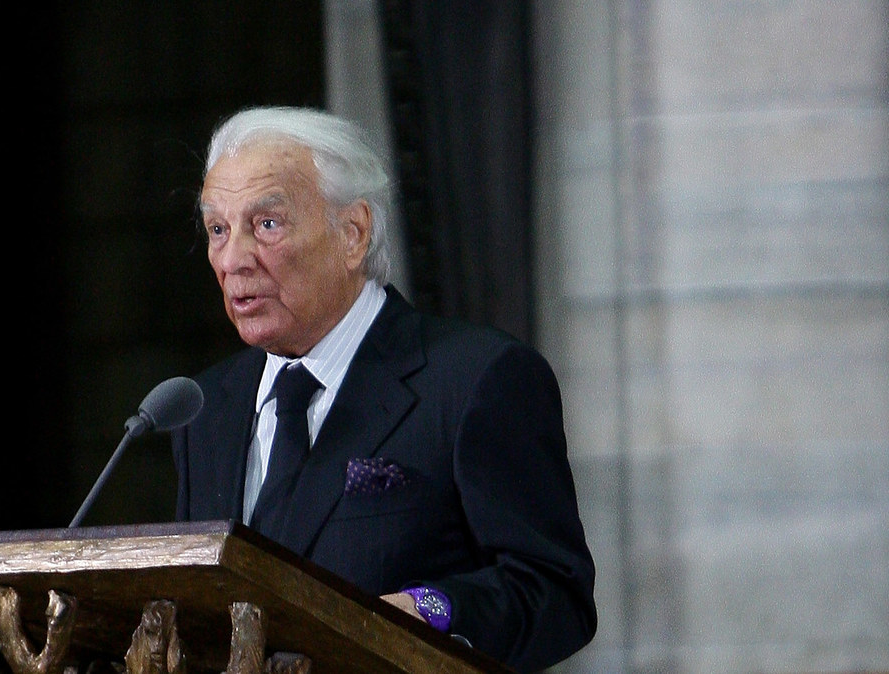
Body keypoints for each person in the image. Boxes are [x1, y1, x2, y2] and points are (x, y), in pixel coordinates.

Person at [170, 106, 596, 672]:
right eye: (218, 230)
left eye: (266, 225)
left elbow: (552, 592)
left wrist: (428, 609)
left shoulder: (477, 379)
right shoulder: (204, 409)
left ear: (353, 233)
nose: (233, 259)